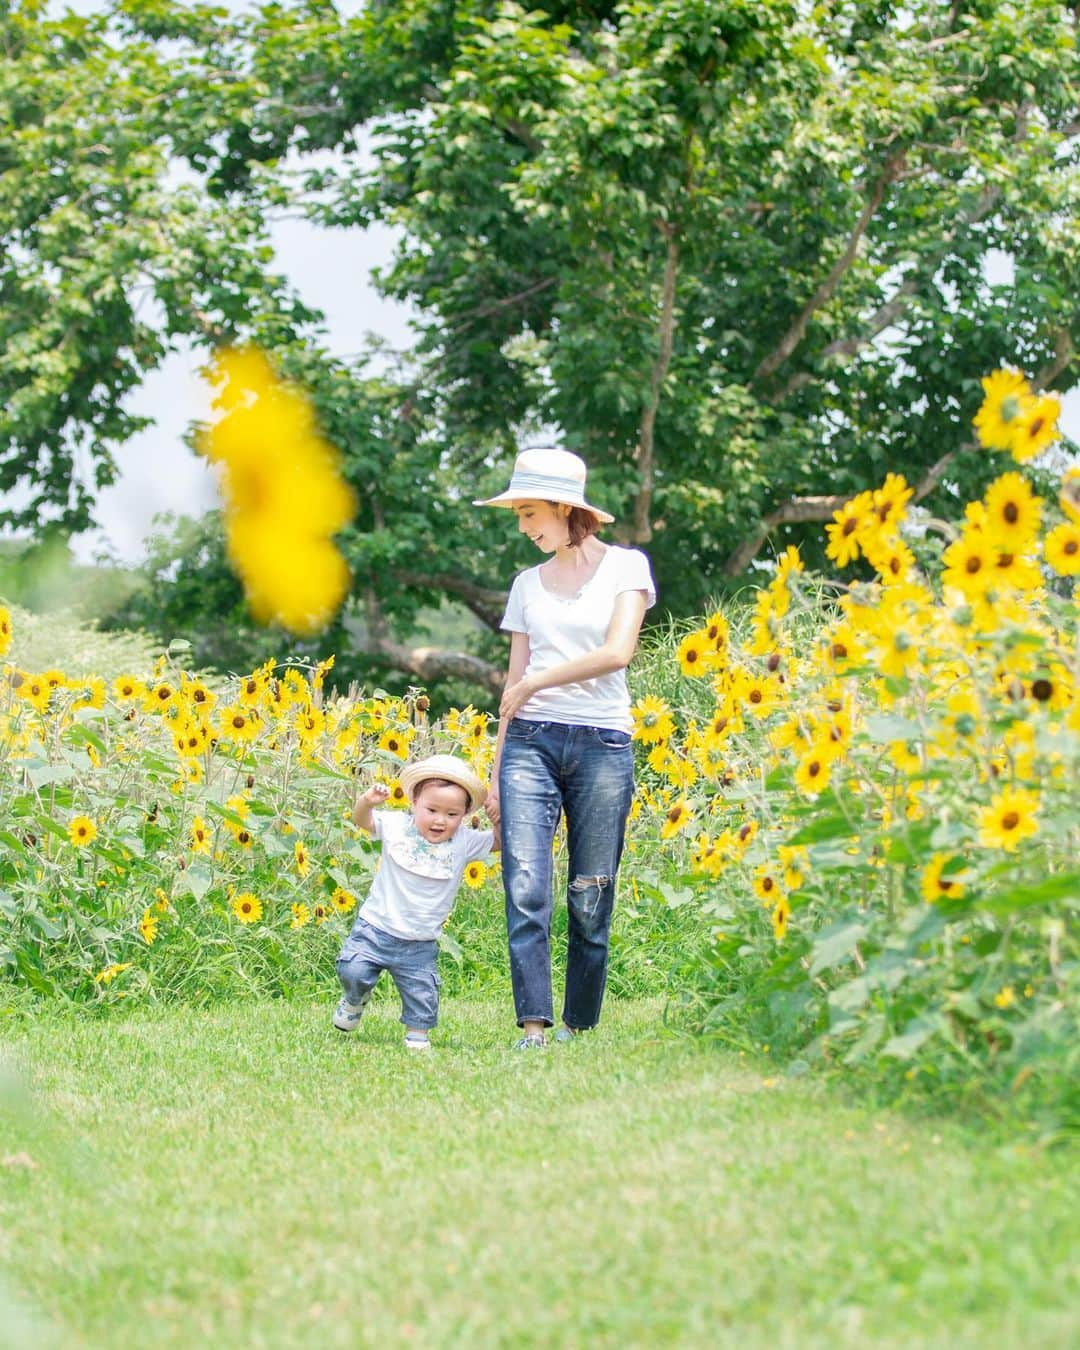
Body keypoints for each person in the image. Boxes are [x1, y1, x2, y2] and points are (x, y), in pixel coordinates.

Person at [475, 447, 656, 1049]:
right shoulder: (526, 585)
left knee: (590, 890)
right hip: (529, 741)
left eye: (529, 513)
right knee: (526, 884)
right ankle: (533, 1027)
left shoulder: (627, 567)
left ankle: (579, 1024)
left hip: (604, 743)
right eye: (520, 517)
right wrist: (497, 770)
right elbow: (511, 687)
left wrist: (536, 683)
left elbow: (617, 653)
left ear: (563, 506)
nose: (524, 528)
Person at [333, 754, 496, 1051]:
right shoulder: (397, 826)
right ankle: (354, 999)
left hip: (420, 942)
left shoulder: (464, 841)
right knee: (352, 971)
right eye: (431, 809)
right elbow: (362, 821)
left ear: (463, 815)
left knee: (423, 993)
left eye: (451, 814)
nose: (439, 820)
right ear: (413, 804)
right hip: (375, 928)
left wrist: (498, 820)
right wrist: (367, 802)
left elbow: (498, 842)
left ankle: (417, 1036)